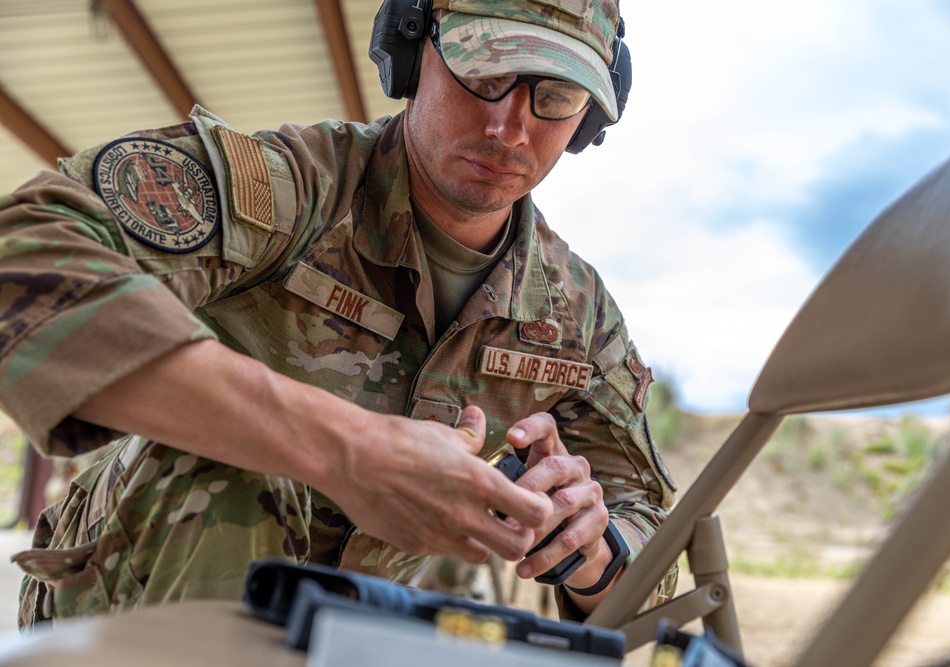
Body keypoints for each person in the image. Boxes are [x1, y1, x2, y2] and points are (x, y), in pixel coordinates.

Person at [0, 0, 677, 629]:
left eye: (554, 97)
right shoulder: (290, 189)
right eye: (484, 70)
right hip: (125, 614)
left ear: (588, 118)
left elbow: (647, 529)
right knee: (233, 465)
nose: (508, 128)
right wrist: (349, 450)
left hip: (356, 628)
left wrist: (594, 550)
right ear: (412, 51)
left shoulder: (578, 313)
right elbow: (19, 255)